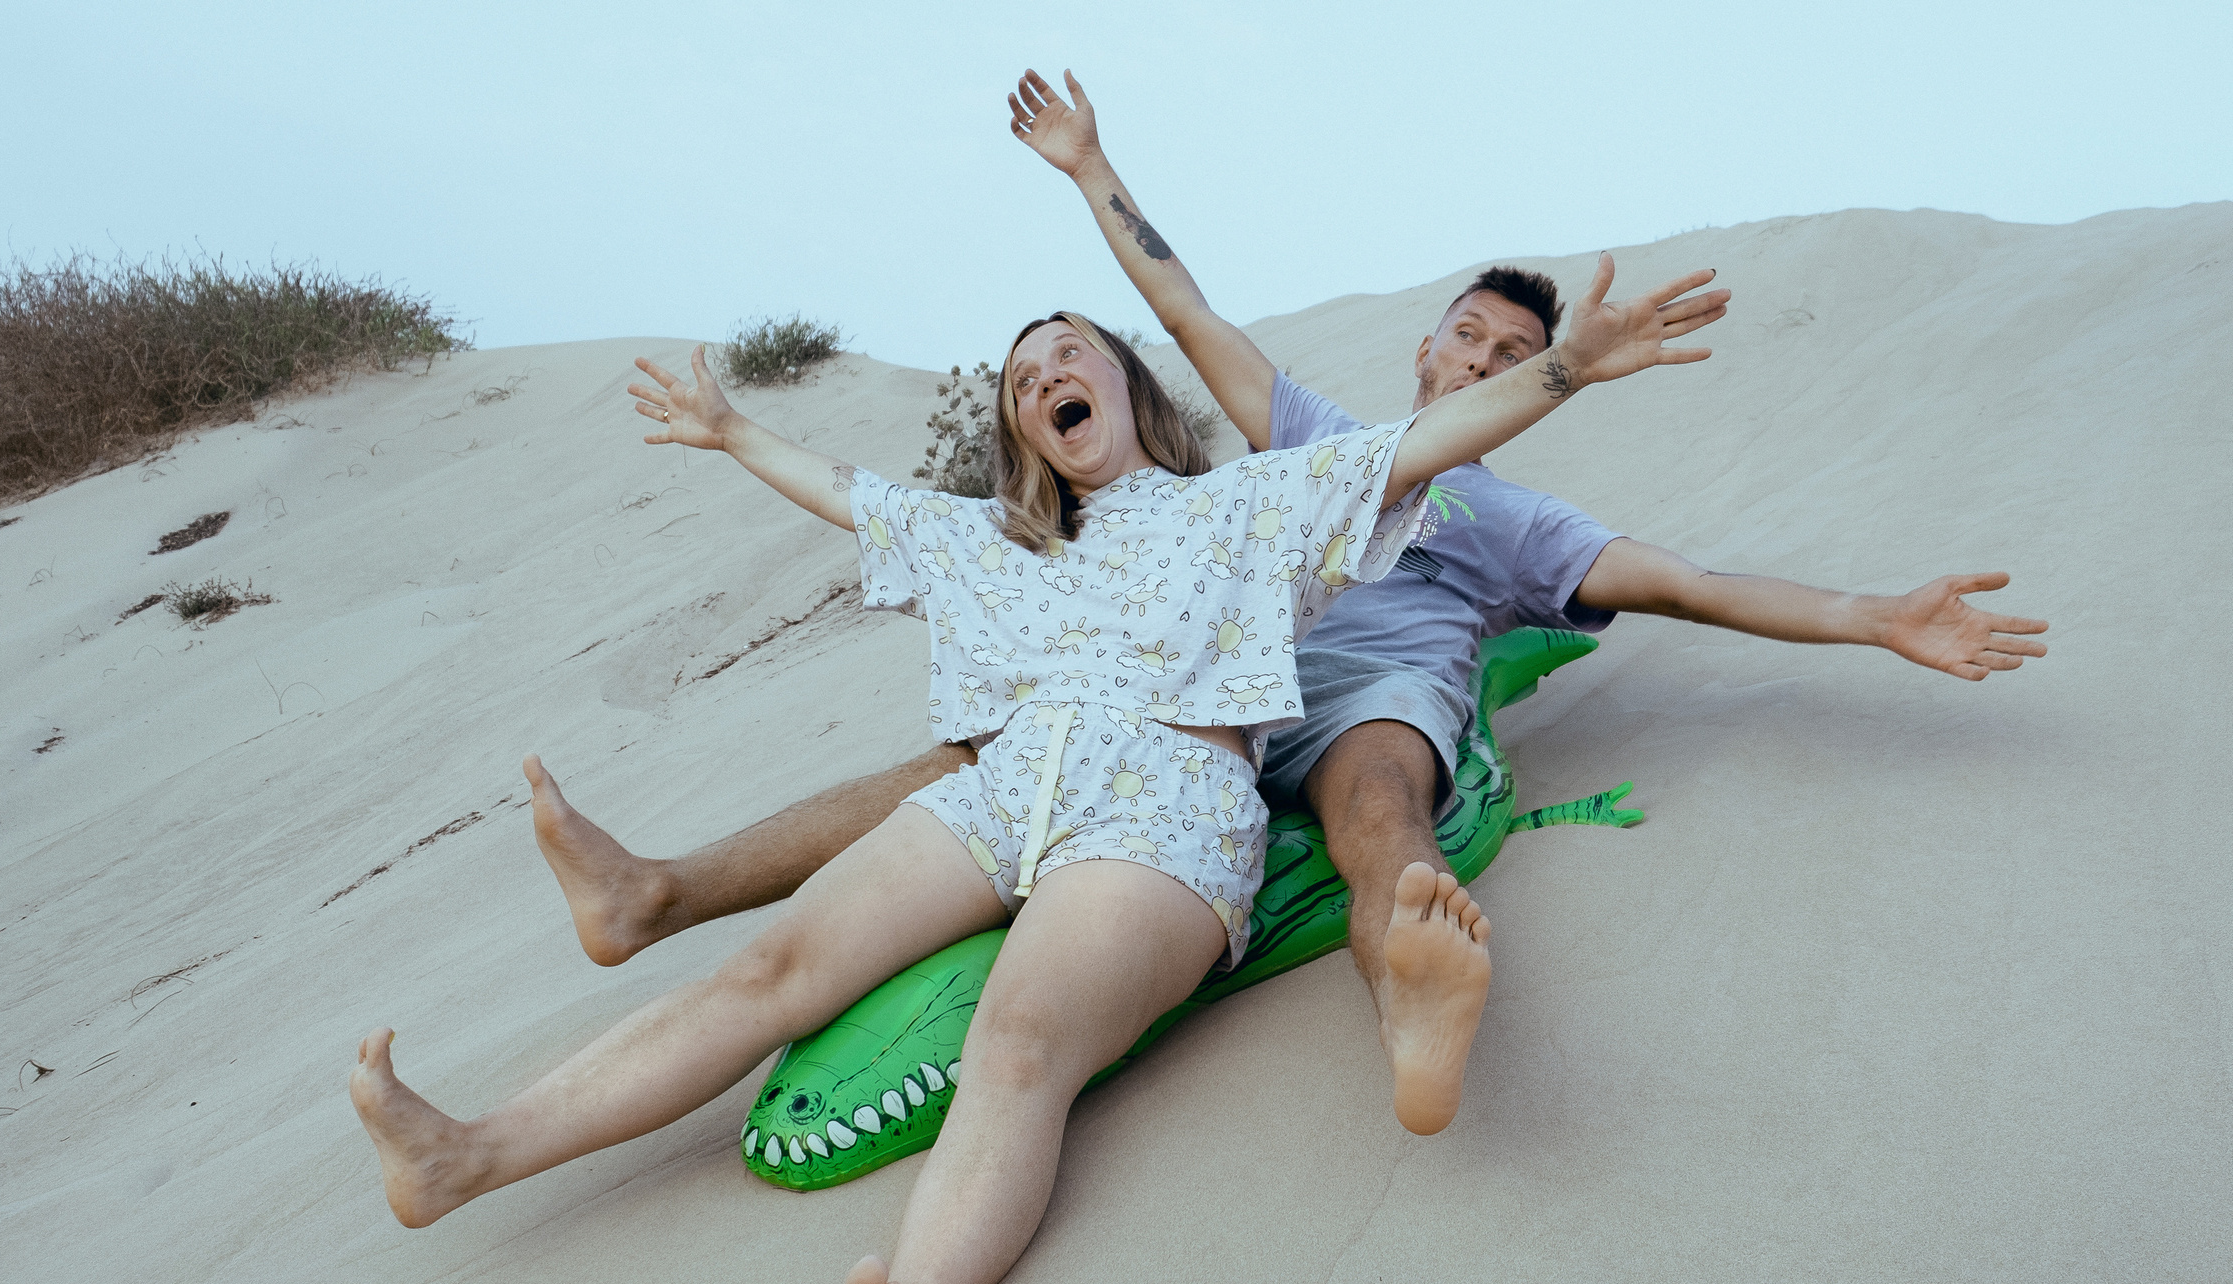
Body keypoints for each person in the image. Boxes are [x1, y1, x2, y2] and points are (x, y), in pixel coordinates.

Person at [352, 256, 1727, 1284]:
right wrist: (729, 430)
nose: (1045, 374)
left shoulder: (1257, 503)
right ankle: (467, 1154)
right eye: (1023, 375)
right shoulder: (999, 546)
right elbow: (854, 496)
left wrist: (1569, 374)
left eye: (1070, 354)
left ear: (1127, 387)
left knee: (1018, 1046)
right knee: (766, 967)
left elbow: (1422, 448)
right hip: (1003, 798)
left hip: (1166, 818)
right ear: (1026, 429)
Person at [524, 69, 2047, 1136]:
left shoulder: (1517, 516)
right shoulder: (1308, 438)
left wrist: (1874, 616)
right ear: (1430, 347)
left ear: (1529, 377)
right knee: (964, 763)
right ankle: (656, 893)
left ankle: (1415, 1013)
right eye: (1460, 330)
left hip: (1363, 705)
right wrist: (1089, 171)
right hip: (1185, 703)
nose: (1471, 354)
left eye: (1504, 348)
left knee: (1378, 803)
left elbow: (1692, 587)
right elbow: (1179, 311)